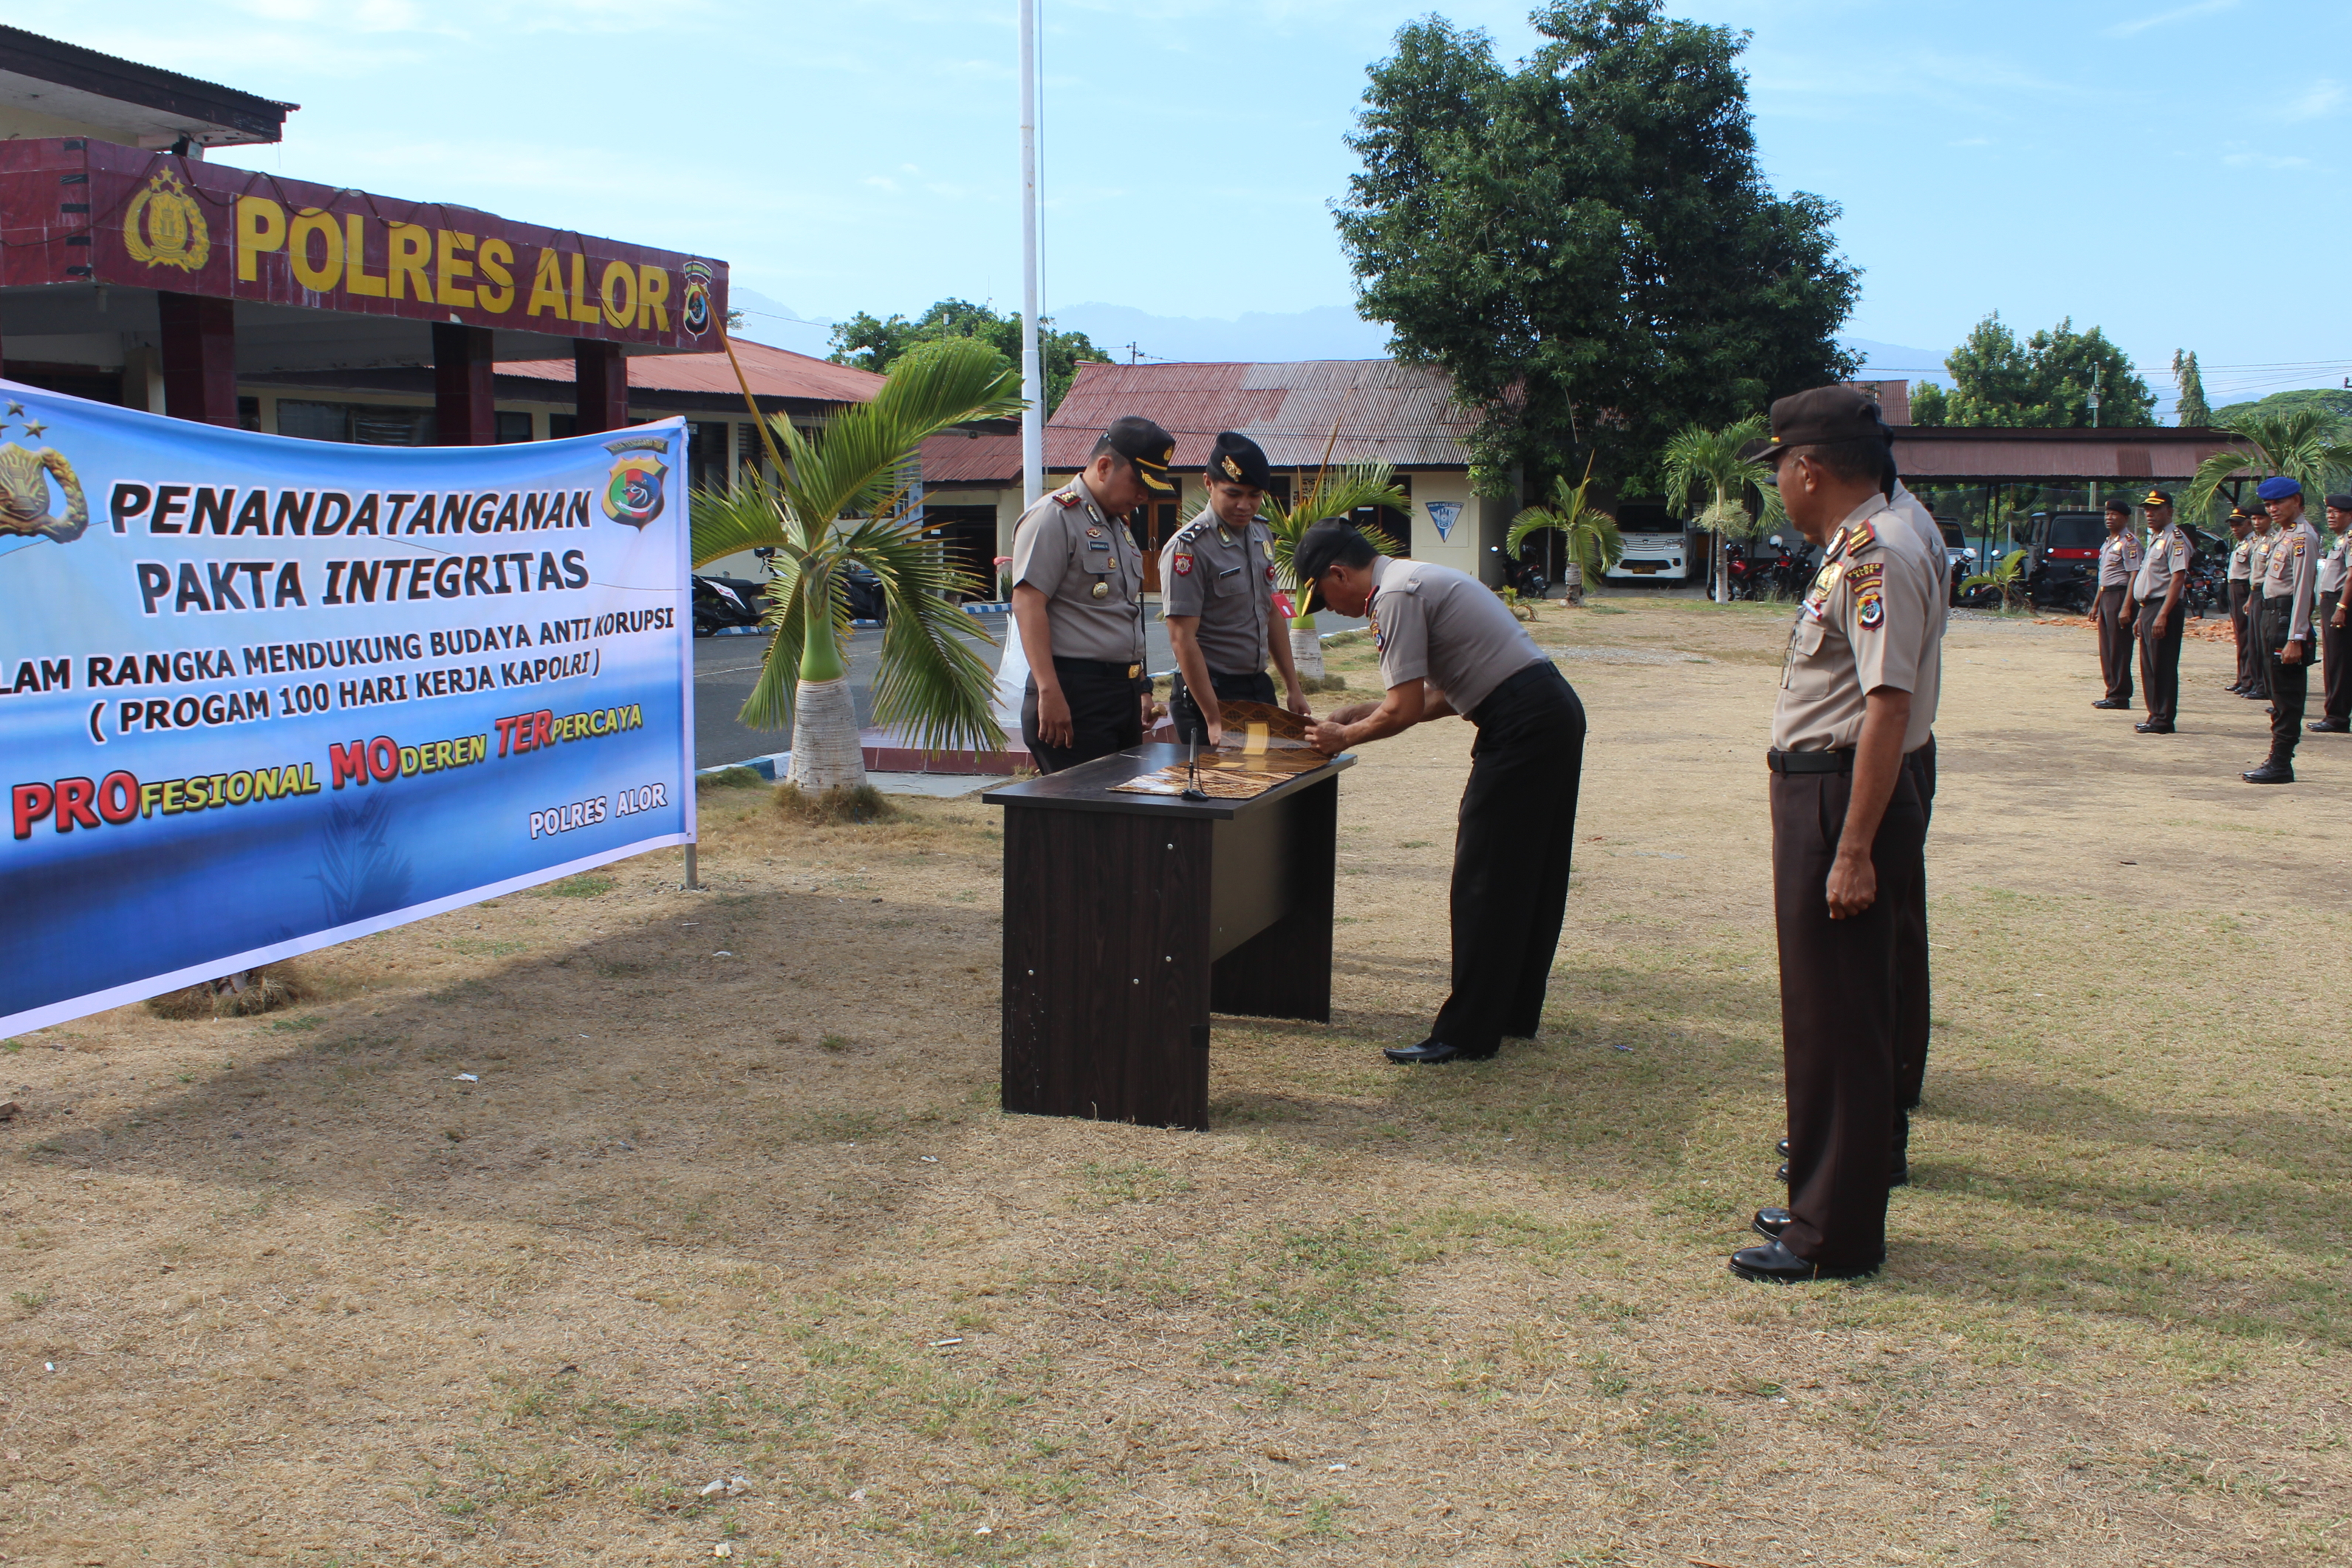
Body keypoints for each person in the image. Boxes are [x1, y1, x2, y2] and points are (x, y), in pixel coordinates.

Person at [1728, 386, 1944, 1284]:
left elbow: (1886, 704)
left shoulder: (1876, 552)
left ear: (1808, 467)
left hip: (1840, 793)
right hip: (1839, 785)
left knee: (1836, 1014)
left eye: (1779, 466)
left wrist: (1851, 848)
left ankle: (1834, 1233)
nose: (1778, 482)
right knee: (1845, 1005)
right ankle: (1831, 1188)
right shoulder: (1888, 528)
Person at [1294, 521, 1586, 1066]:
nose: (1329, 608)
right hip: (1549, 708)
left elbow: (1402, 709)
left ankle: (1467, 1032)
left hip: (1521, 724)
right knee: (1530, 871)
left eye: (1323, 595)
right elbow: (1447, 693)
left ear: (1338, 574)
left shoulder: (1393, 596)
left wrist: (1344, 736)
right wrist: (1365, 712)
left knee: (1484, 875)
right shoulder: (1414, 577)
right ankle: (1513, 1011)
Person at [1007, 416, 1172, 773]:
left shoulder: (1118, 526)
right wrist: (1049, 691)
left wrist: (1140, 686)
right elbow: (1028, 603)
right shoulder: (1054, 516)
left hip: (1119, 694)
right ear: (1104, 466)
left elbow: (1122, 613)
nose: (1144, 496)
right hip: (1073, 692)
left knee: (1118, 813)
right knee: (1086, 818)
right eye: (1138, 483)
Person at [1160, 431, 1312, 745]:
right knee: (1220, 788)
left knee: (1266, 782)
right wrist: (1214, 718)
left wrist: (1293, 688)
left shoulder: (1261, 535)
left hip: (1256, 686)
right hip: (1211, 693)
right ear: (1208, 483)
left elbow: (1271, 614)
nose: (1244, 505)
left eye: (1254, 495)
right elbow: (1181, 638)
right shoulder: (1189, 548)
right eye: (1233, 493)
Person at [2245, 475, 2322, 784]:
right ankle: (2276, 758)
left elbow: (2304, 590)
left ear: (2297, 502)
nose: (2272, 508)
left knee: (2288, 694)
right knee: (2277, 691)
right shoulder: (2283, 535)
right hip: (2271, 615)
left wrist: (2296, 637)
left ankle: (2281, 762)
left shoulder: (2303, 537)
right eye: (2268, 503)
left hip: (2286, 618)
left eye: (2278, 502)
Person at [2128, 489, 2189, 735]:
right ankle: (2155, 714)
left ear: (2170, 511)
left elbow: (2177, 579)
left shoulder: (2175, 539)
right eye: (2147, 509)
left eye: (2156, 509)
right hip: (2150, 607)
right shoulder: (2157, 537)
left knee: (2162, 664)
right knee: (2149, 665)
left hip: (2165, 607)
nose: (2150, 513)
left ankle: (2163, 718)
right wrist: (2143, 614)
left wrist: (2163, 614)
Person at [2092, 499, 2142, 710]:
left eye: (2114, 514)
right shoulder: (2108, 542)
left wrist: (2126, 606)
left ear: (2125, 518)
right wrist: (2095, 605)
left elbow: (2134, 575)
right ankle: (2111, 690)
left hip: (2121, 596)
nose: (2109, 518)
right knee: (2107, 648)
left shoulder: (2130, 542)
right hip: (2106, 596)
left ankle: (2120, 695)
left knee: (2119, 648)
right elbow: (2103, 578)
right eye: (2107, 514)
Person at [2311, 493, 2351, 735]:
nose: (2330, 516)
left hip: (2340, 603)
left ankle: (2337, 716)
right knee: (2333, 660)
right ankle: (2334, 712)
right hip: (2330, 603)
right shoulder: (2340, 539)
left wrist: (2342, 608)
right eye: (2328, 512)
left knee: (2339, 662)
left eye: (2335, 512)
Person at [2243, 506, 2277, 702]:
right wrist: (2250, 598)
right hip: (2255, 593)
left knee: (2265, 644)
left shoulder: (2274, 540)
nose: (2257, 523)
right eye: (2254, 519)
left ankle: (2265, 686)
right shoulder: (2258, 541)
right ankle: (2258, 683)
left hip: (2265, 594)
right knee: (2254, 642)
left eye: (2260, 519)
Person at [2224, 506, 2257, 696]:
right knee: (2240, 635)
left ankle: (2248, 678)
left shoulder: (2253, 542)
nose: (2234, 528)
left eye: (2238, 524)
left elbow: (2256, 573)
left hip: (2245, 589)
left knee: (2246, 635)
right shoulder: (2241, 543)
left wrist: (2251, 597)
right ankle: (2241, 677)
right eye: (2232, 525)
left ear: (2248, 523)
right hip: (2234, 588)